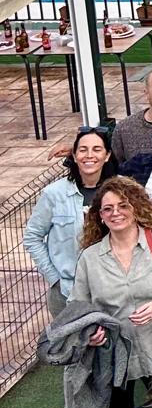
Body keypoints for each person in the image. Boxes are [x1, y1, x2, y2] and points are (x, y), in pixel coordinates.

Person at [55, 177, 152, 408]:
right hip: (117, 353)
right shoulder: (90, 258)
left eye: (122, 205)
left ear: (135, 206)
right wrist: (89, 332)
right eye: (107, 209)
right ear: (100, 217)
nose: (116, 212)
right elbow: (77, 307)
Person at [27, 126, 115, 320]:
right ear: (74, 156)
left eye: (97, 149)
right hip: (67, 293)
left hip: (113, 290)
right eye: (83, 150)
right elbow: (32, 237)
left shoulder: (120, 191)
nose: (89, 155)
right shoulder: (54, 194)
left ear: (107, 155)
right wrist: (54, 279)